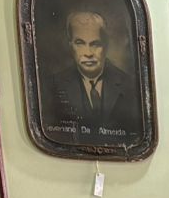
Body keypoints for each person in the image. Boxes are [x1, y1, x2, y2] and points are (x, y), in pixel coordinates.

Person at [41, 10, 137, 140]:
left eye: (95, 44)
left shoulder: (130, 85)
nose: (88, 53)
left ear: (106, 45)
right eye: (80, 43)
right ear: (70, 45)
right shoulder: (52, 86)